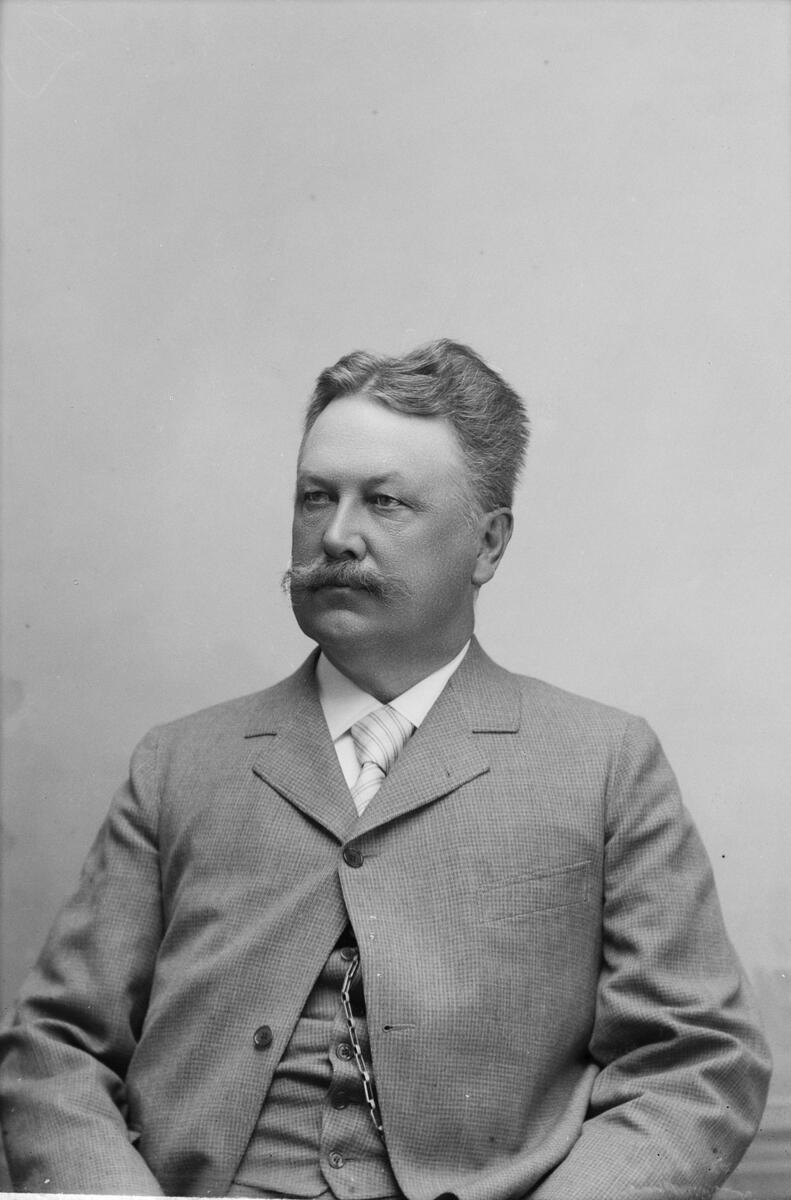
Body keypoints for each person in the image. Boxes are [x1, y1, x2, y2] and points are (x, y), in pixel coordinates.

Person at [0, 340, 771, 1199]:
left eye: (385, 502)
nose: (335, 536)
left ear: (487, 544)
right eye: (315, 497)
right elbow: (54, 1050)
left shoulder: (604, 764)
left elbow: (696, 1066)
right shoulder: (178, 764)